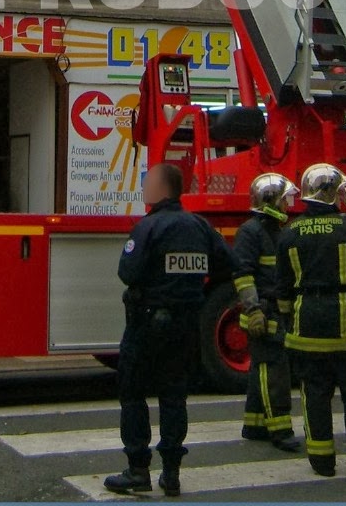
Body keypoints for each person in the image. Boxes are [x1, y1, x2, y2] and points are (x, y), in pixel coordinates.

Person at [103, 161, 232, 498]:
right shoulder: (200, 226)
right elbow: (227, 264)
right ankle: (171, 473)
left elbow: (128, 273)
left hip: (147, 324)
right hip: (185, 325)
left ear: (162, 189)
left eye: (148, 183)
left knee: (133, 394)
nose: (144, 188)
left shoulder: (148, 227)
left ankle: (138, 470)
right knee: (174, 396)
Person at [276, 163, 346, 480]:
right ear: (328, 194)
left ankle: (322, 461)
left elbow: (282, 289)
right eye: (338, 192)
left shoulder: (289, 233)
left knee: (314, 394)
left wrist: (288, 322)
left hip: (305, 325)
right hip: (345, 324)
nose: (341, 197)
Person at [232, 172, 301, 453]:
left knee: (262, 367)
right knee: (274, 371)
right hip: (263, 311)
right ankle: (280, 430)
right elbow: (242, 274)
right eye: (284, 199)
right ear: (270, 200)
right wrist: (254, 310)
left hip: (276, 310)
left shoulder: (278, 231)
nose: (288, 205)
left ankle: (255, 424)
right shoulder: (251, 232)